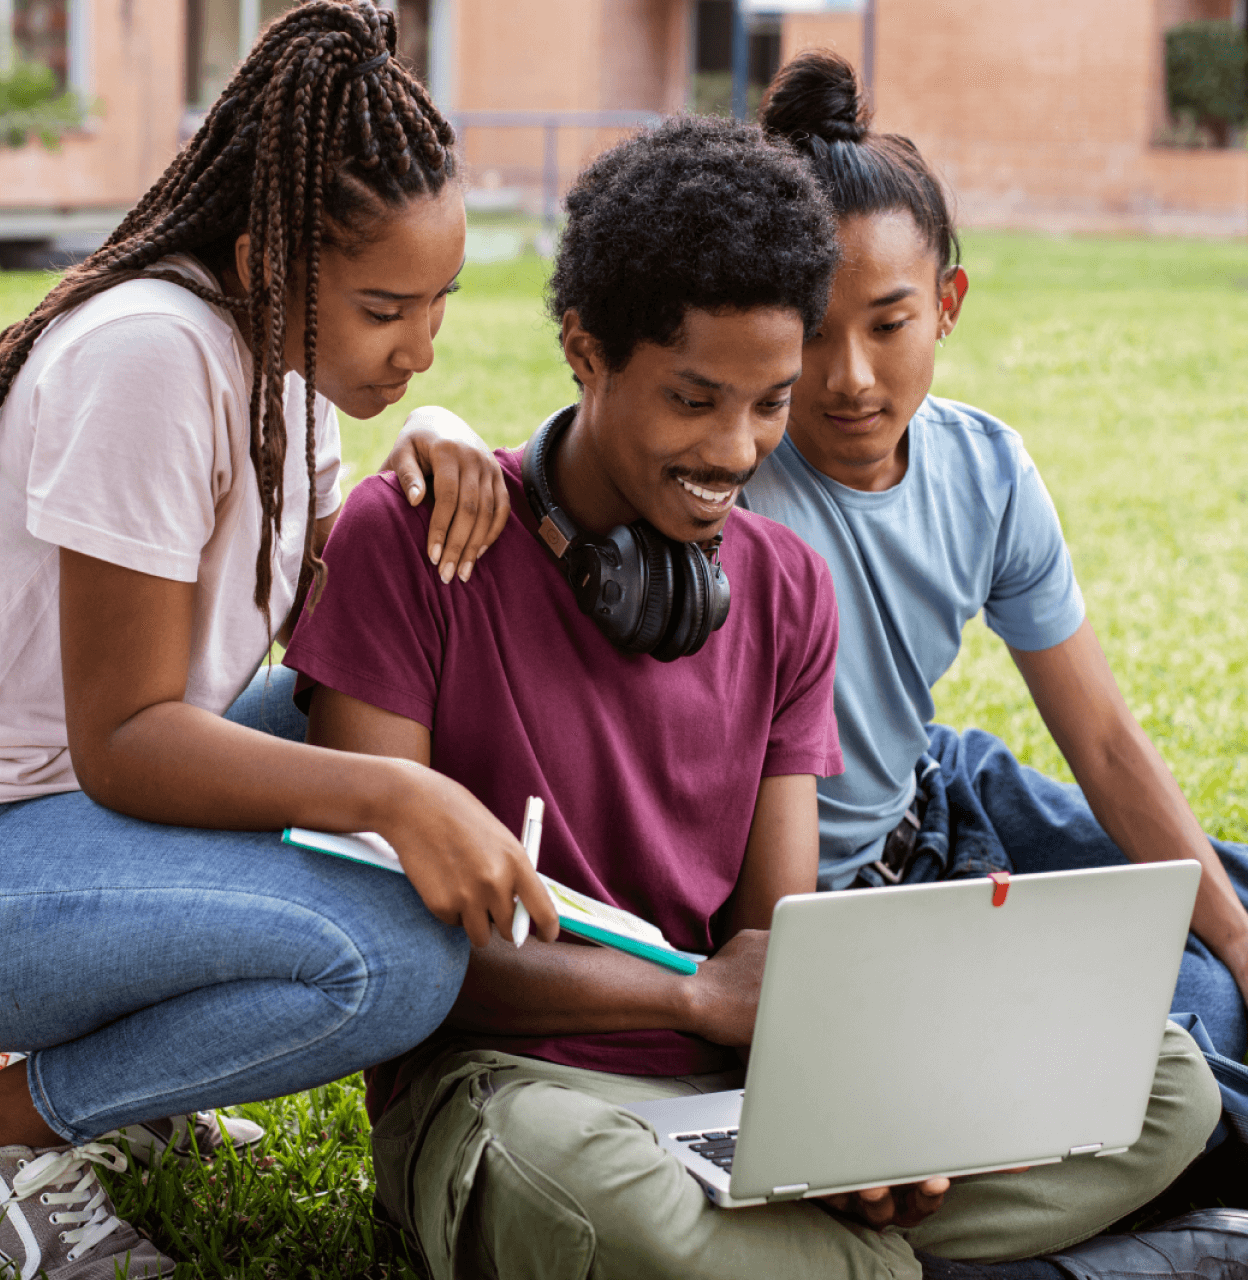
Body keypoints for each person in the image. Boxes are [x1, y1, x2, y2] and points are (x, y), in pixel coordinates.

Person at [282, 115, 1220, 1280]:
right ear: (585, 350)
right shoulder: (414, 542)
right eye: (693, 400)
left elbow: (777, 944)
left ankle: (804, 1252)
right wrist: (694, 1004)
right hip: (526, 1090)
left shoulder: (785, 587)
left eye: (769, 402)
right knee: (600, 1206)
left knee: (1163, 1080)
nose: (736, 449)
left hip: (737, 1095)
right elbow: (384, 945)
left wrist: (870, 1117)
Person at [0, 3, 556, 1275]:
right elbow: (129, 744)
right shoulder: (153, 352)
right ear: (263, 262)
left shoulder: (278, 365)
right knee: (390, 953)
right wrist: (395, 793)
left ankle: (117, 1086)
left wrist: (405, 469)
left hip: (55, 814)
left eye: (440, 304)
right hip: (25, 823)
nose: (420, 347)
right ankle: (15, 1124)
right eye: (384, 308)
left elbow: (313, 644)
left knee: (372, 709)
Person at [735, 48, 1248, 1146]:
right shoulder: (728, 480)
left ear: (948, 305)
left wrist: (1238, 941)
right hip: (842, 905)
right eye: (813, 328)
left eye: (887, 321)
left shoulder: (987, 469)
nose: (850, 377)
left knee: (1223, 901)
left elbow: (1102, 741)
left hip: (944, 799)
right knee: (1175, 1070)